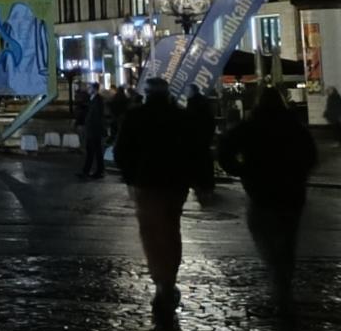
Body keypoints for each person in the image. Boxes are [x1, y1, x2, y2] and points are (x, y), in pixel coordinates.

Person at [111, 76, 214, 318]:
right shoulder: (180, 117)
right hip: (175, 183)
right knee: (171, 230)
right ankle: (168, 279)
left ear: (147, 94)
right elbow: (197, 150)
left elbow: (121, 151)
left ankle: (161, 280)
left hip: (146, 182)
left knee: (151, 233)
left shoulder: (135, 117)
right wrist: (202, 182)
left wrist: (130, 176)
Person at [218, 87, 319, 307]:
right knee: (287, 239)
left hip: (260, 191)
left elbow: (224, 149)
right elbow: (311, 156)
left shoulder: (251, 127)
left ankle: (276, 273)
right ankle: (283, 281)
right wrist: (298, 174)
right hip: (291, 193)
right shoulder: (294, 127)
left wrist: (240, 170)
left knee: (264, 237)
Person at [78, 81, 109, 179]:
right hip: (92, 130)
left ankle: (94, 172)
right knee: (93, 152)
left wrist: (99, 130)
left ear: (94, 89)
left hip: (94, 131)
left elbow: (98, 117)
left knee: (93, 151)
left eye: (89, 87)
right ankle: (92, 171)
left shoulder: (98, 100)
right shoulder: (93, 99)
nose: (88, 89)